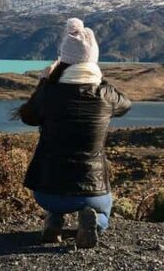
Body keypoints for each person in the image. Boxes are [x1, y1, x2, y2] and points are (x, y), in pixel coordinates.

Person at [16, 18, 131, 248]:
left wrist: (44, 82)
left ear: (63, 61)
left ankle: (54, 220)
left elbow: (28, 117)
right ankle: (94, 221)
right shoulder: (105, 95)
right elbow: (126, 104)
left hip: (47, 189)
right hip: (92, 191)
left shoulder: (50, 93)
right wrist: (99, 77)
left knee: (56, 189)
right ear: (93, 61)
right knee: (104, 210)